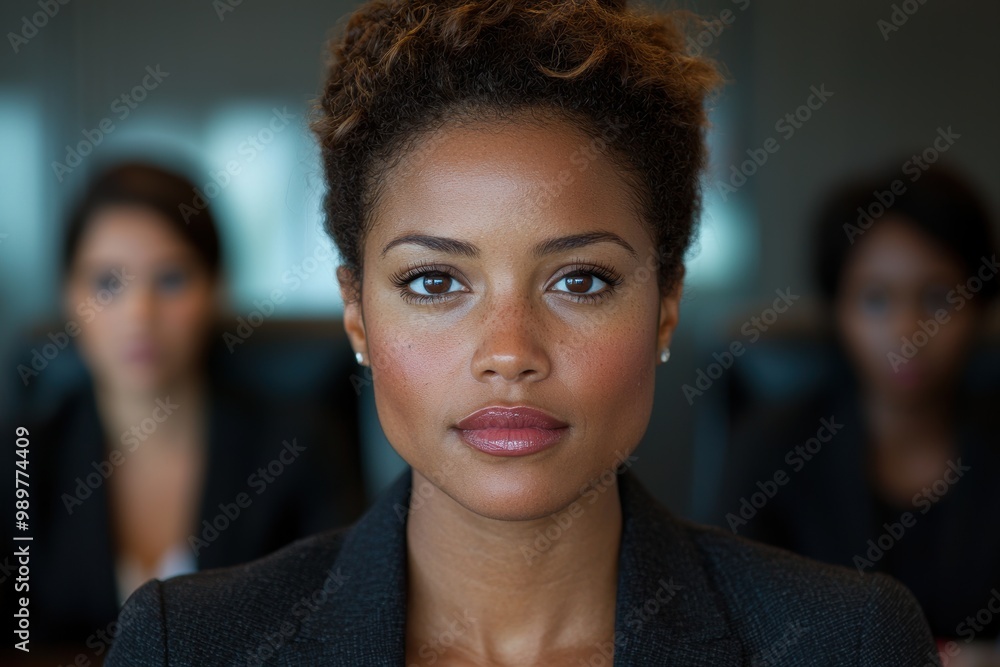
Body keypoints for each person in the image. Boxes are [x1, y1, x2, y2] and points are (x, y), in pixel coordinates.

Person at [106, 1, 942, 664]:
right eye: (435, 282)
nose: (508, 351)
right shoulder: (189, 645)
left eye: (580, 280)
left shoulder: (850, 641)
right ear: (357, 311)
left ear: (665, 307)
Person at [0, 161, 366, 660]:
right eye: (108, 283)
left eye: (171, 279)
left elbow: (337, 628)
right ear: (69, 295)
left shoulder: (296, 446)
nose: (139, 314)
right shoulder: (22, 456)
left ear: (213, 289)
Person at [715, 163, 1000, 649]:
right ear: (837, 309)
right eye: (875, 300)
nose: (908, 332)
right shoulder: (774, 449)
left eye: (937, 298)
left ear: (978, 305)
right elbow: (730, 627)